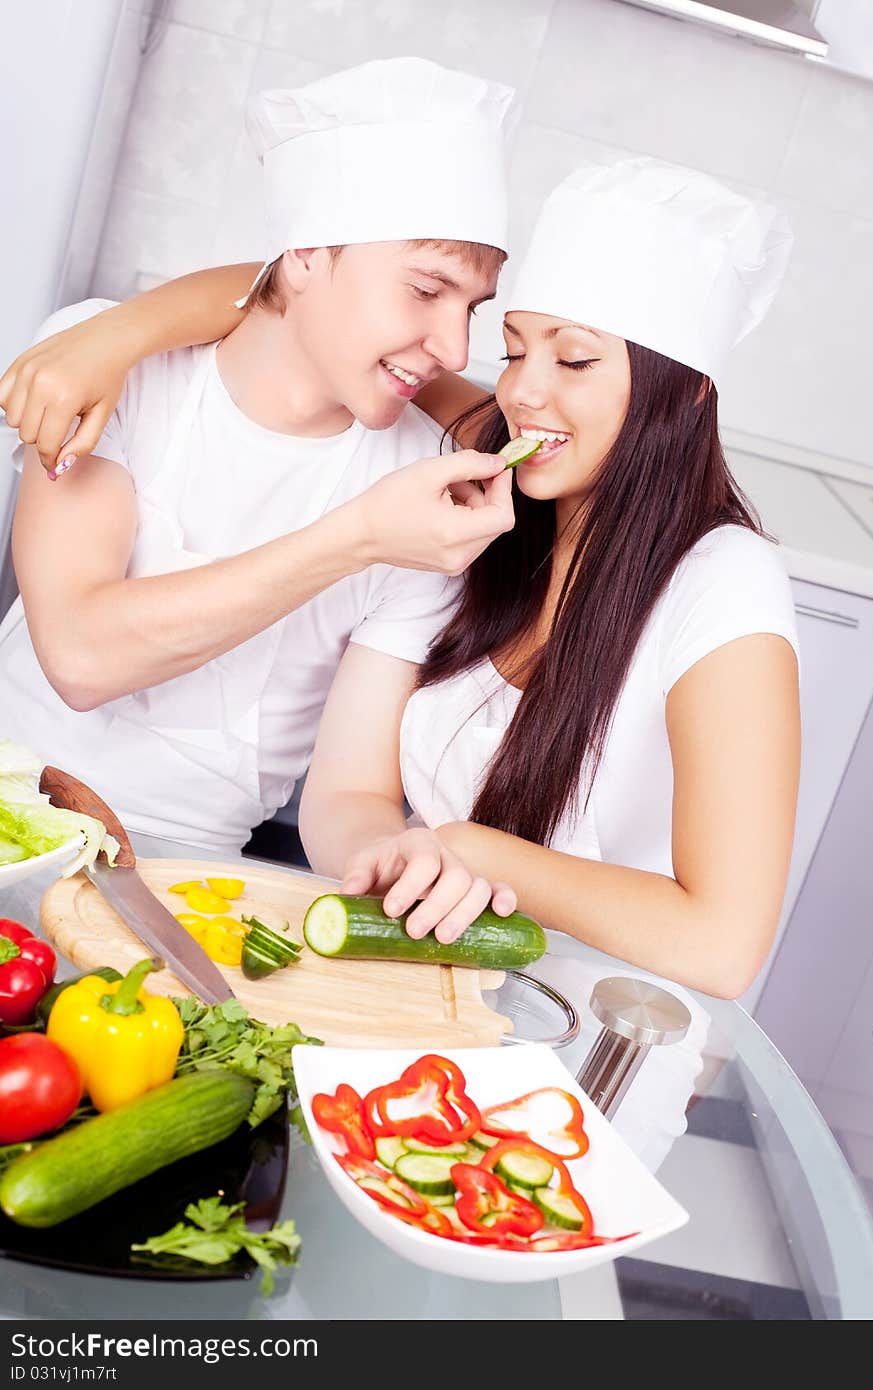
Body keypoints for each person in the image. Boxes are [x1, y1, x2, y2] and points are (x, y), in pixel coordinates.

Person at [1, 159, 801, 1001]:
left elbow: (723, 946)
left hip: (603, 1035)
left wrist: (471, 850)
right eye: (517, 348)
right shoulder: (490, 497)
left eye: (575, 361)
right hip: (442, 994)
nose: (523, 389)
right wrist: (113, 334)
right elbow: (303, 305)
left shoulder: (723, 578)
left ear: (687, 392)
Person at [0, 57, 521, 932]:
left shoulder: (431, 493)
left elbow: (345, 795)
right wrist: (354, 538)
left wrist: (391, 850)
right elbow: (82, 657)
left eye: (474, 307)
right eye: (428, 289)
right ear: (310, 251)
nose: (453, 342)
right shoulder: (118, 372)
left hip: (189, 881)